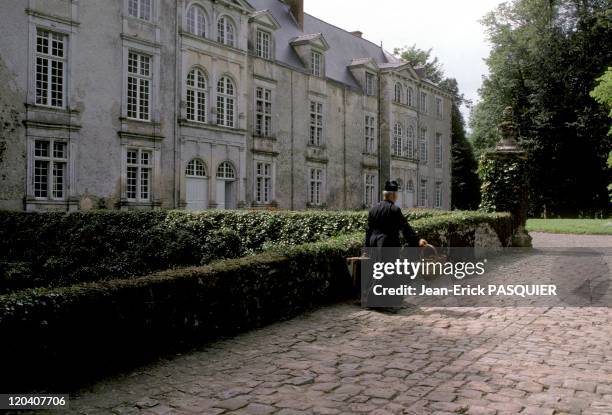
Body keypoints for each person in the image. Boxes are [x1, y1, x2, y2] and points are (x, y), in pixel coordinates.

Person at [365, 180, 427, 249]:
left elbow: (368, 231)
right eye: (396, 194)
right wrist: (418, 241)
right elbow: (405, 228)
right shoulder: (394, 210)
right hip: (388, 246)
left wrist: (366, 249)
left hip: (373, 245)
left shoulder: (373, 209)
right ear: (393, 195)